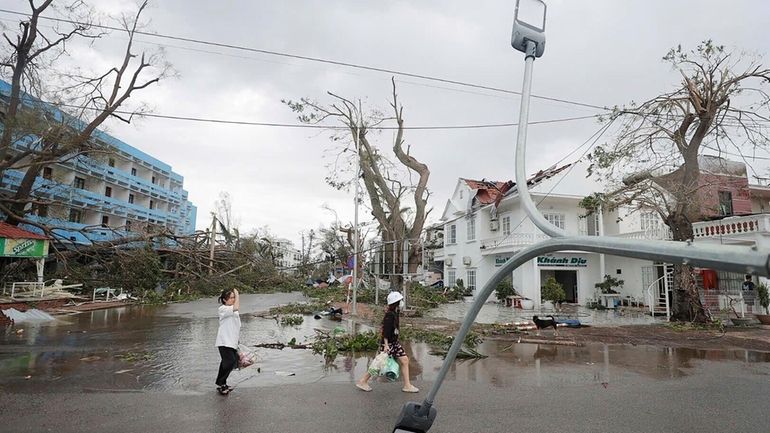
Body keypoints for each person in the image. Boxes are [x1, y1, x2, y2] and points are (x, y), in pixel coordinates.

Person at [355, 291, 419, 393]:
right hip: (388, 344)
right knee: (379, 363)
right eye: (400, 301)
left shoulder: (395, 313)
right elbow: (385, 331)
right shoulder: (389, 315)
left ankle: (407, 385)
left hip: (394, 343)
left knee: (405, 360)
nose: (401, 302)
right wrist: (385, 345)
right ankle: (363, 381)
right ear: (396, 303)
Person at [215, 288, 240, 395]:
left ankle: (221, 382)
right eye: (231, 298)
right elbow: (236, 307)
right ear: (225, 300)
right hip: (224, 341)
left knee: (230, 362)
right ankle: (221, 384)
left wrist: (237, 341)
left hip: (232, 341)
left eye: (234, 297)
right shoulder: (223, 309)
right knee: (229, 362)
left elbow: (236, 326)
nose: (233, 299)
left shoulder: (233, 310)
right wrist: (238, 295)